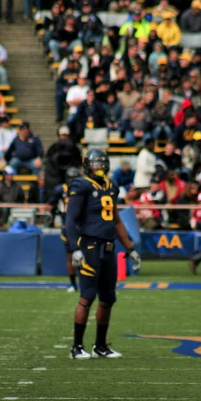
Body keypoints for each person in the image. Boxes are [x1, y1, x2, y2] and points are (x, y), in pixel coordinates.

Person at [65, 148, 141, 359]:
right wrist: (75, 248)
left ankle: (100, 346)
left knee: (107, 298)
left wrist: (130, 248)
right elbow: (70, 220)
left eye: (101, 163)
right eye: (95, 163)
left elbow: (117, 221)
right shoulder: (81, 185)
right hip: (89, 246)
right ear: (87, 166)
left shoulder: (111, 186)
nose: (98, 167)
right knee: (87, 296)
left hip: (108, 247)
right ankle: (77, 347)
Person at [47, 166, 81, 292]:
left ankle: (86, 283)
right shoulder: (61, 190)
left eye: (74, 178)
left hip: (81, 226)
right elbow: (50, 204)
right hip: (67, 226)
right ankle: (73, 284)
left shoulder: (83, 189)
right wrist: (57, 212)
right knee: (70, 256)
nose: (72, 181)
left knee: (87, 255)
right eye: (71, 178)